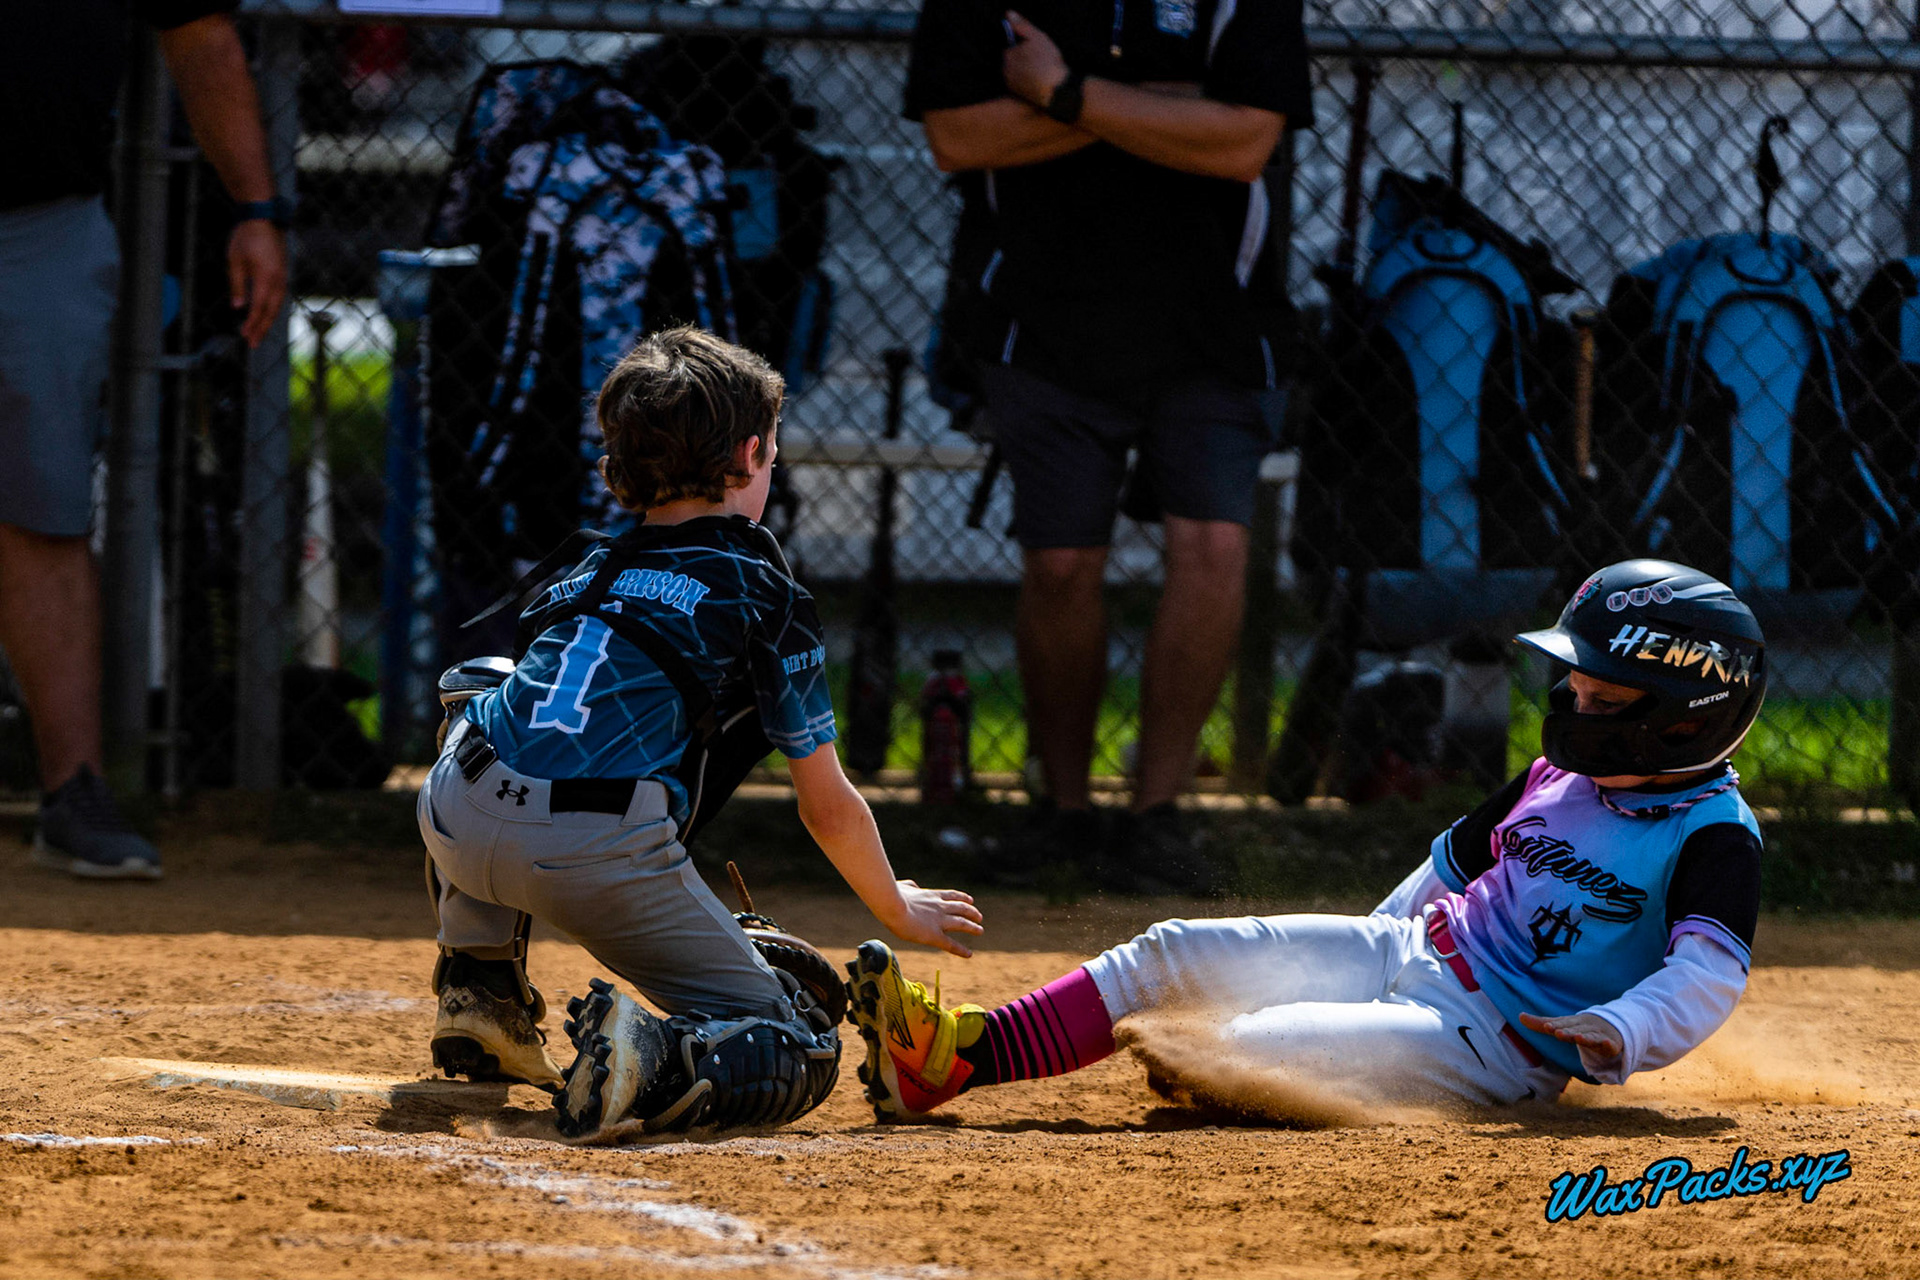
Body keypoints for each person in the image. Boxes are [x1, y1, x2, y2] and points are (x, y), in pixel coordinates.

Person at [846, 560, 1767, 1116]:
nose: (1572, 706)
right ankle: (956, 1055)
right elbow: (1451, 862)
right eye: (1575, 690)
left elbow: (1707, 974)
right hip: (1409, 953)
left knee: (1254, 1046)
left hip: (1497, 1042)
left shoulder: (1713, 835)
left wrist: (1617, 1031)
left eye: (1603, 700)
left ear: (1688, 717)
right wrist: (1362, 954)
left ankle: (1243, 1058)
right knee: (1171, 953)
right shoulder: (1559, 775)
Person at [417, 327, 983, 1136]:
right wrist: (896, 907)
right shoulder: (762, 586)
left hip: (456, 817)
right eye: (774, 447)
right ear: (750, 454)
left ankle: (479, 987)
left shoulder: (583, 568)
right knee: (800, 1045)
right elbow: (825, 805)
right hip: (590, 854)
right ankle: (649, 1051)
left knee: (486, 690)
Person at [902, 0, 1313, 889]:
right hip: (1040, 325)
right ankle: (1067, 814)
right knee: (1058, 566)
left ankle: (1155, 818)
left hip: (1218, 324)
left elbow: (1244, 141)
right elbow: (958, 137)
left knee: (1210, 548)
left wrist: (1060, 92)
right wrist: (1157, 107)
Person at [5, 3, 287, 879]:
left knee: (42, 510)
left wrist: (256, 206)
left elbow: (199, 33)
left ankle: (74, 792)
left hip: (38, 220)